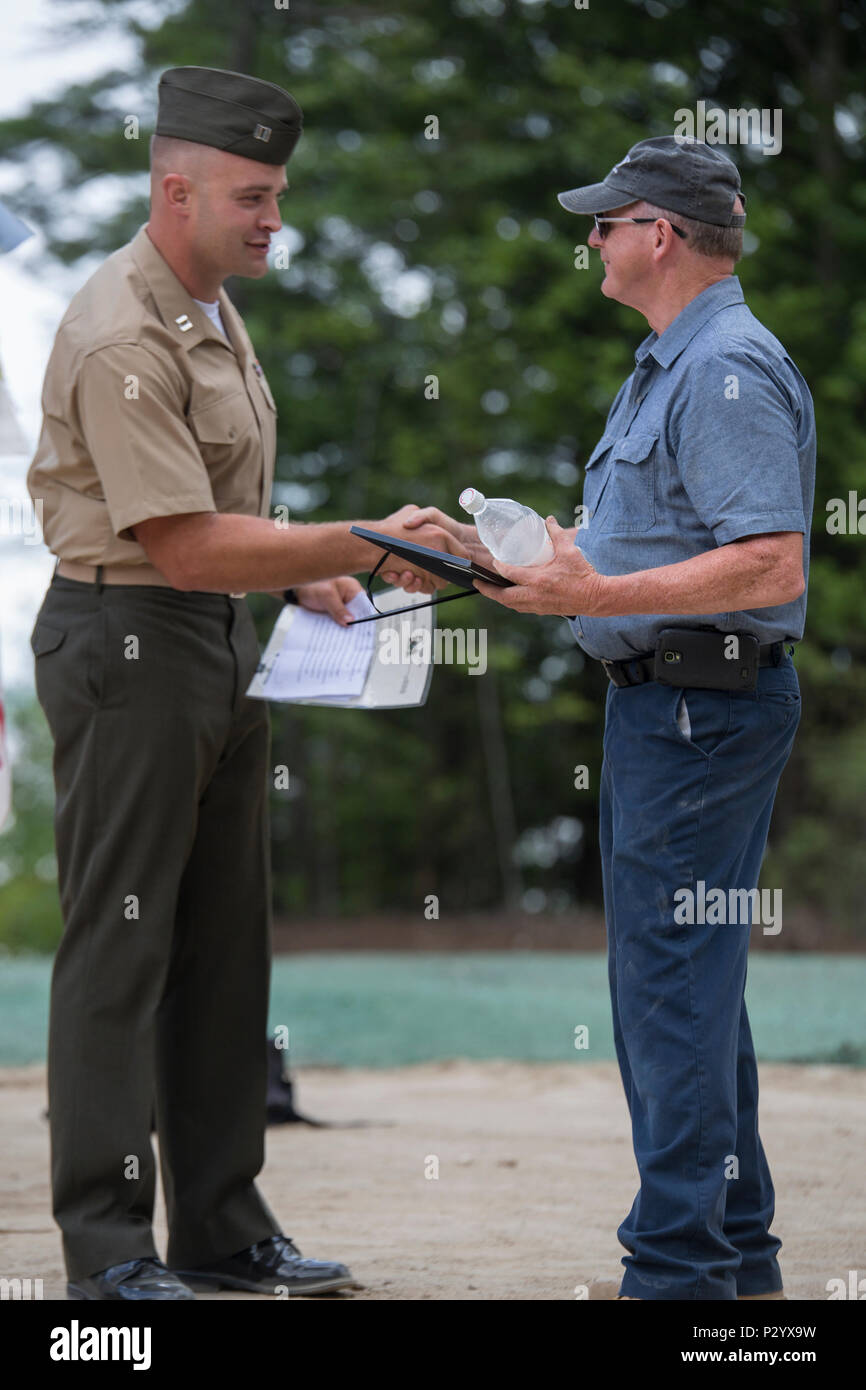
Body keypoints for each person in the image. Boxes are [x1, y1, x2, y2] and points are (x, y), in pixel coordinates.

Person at [27, 65, 467, 1301]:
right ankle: (107, 1257)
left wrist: (294, 577)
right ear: (178, 188)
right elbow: (176, 541)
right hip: (130, 644)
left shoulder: (210, 303)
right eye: (255, 196)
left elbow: (220, 515)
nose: (277, 217)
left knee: (225, 952)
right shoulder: (122, 327)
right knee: (122, 952)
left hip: (215, 638)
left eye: (278, 193)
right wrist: (359, 546)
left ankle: (219, 1230)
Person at [407, 136, 816, 1302]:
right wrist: (506, 555)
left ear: (660, 235)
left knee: (667, 985)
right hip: (683, 705)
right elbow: (655, 548)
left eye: (603, 220)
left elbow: (766, 561)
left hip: (698, 703)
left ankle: (679, 1279)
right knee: (692, 980)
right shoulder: (672, 363)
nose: (587, 239)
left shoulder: (722, 366)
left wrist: (589, 592)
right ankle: (734, 1265)